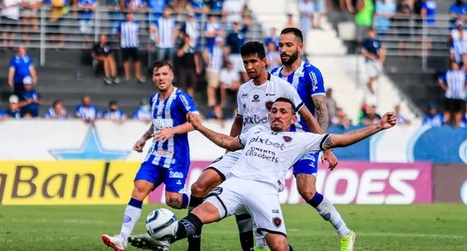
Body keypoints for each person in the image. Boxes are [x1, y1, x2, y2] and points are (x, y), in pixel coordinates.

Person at [137, 99, 396, 251]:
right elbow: (228, 143)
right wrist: (200, 127)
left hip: (265, 192)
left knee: (278, 247)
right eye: (274, 111)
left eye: (283, 112)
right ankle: (167, 236)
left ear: (293, 118)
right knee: (200, 214)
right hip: (236, 184)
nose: (277, 115)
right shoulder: (256, 131)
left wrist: (378, 126)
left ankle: (166, 235)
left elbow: (340, 139)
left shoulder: (301, 139)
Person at [168, 41, 328, 251]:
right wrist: (228, 151)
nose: (249, 66)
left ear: (264, 61)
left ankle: (248, 247)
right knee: (199, 187)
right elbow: (239, 120)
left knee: (243, 201)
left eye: (253, 61)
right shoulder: (243, 90)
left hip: (263, 153)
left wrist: (325, 148)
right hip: (240, 148)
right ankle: (194, 246)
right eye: (245, 62)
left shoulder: (282, 86)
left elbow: (307, 116)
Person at [270, 27, 355, 249]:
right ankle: (263, 243)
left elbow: (321, 109)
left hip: (305, 140)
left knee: (307, 191)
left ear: (300, 47)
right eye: (281, 45)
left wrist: (325, 147)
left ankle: (346, 233)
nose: (284, 49)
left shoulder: (310, 73)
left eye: (289, 45)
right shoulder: (274, 75)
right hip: (277, 141)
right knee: (265, 187)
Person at [102, 60, 199, 251]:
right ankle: (122, 238)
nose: (161, 78)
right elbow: (157, 124)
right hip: (155, 155)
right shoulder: (154, 99)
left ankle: (200, 200)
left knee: (173, 200)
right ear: (153, 77)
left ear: (171, 75)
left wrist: (172, 131)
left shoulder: (181, 98)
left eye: (164, 74)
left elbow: (196, 122)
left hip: (176, 157)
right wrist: (144, 138)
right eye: (157, 74)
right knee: (139, 189)